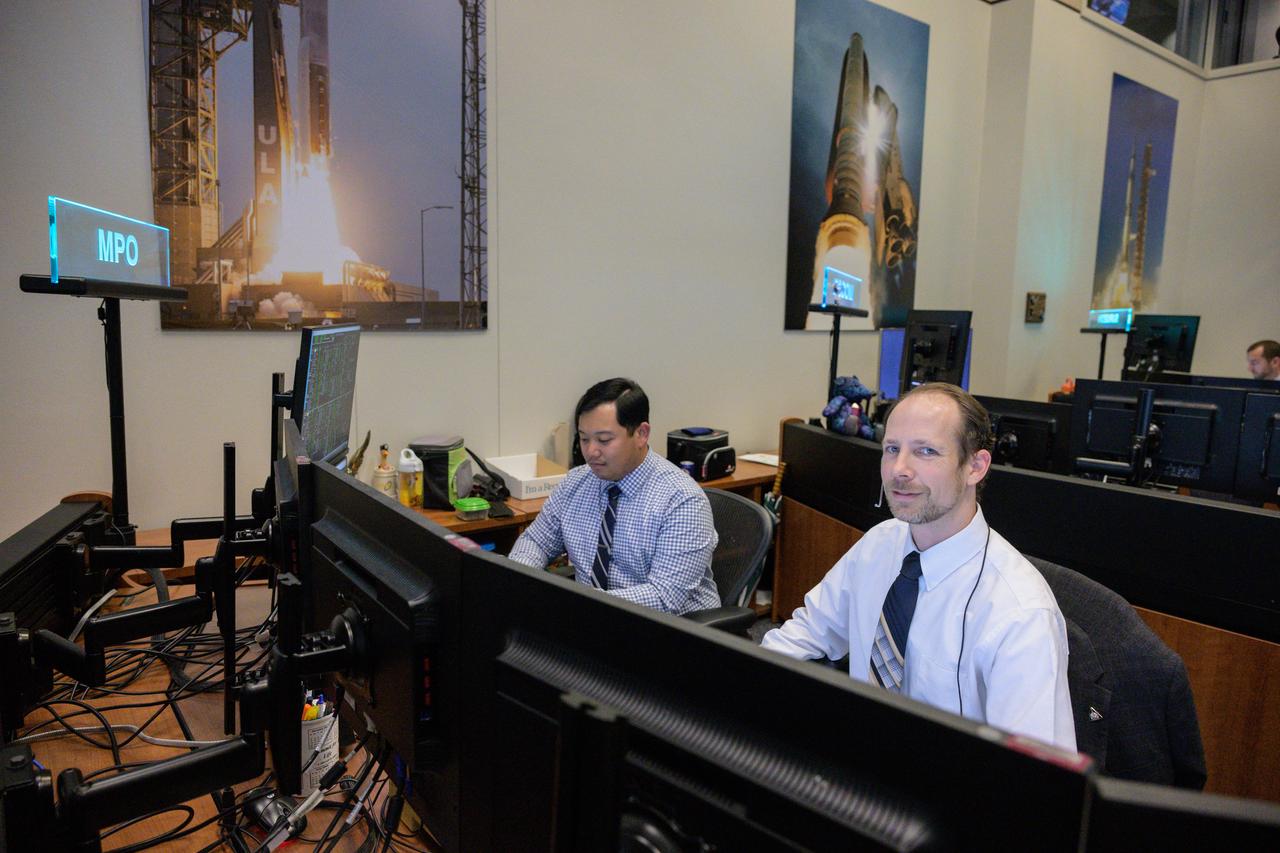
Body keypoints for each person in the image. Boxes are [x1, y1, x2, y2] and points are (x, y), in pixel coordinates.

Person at [761, 383, 1076, 751]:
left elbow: (1037, 771)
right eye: (892, 449)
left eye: (926, 451)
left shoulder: (1020, 614)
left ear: (975, 466)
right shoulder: (880, 544)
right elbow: (808, 632)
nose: (899, 470)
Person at [509, 378, 720, 615]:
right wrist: (518, 579)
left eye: (604, 440)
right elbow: (536, 542)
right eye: (584, 439)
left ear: (641, 434)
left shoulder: (682, 501)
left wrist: (576, 603)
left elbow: (663, 598)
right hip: (589, 617)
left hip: (669, 627)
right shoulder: (576, 483)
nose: (591, 452)